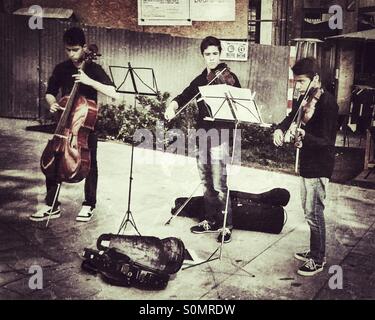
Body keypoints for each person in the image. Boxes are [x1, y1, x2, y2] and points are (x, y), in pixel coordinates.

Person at [30, 27, 119, 223]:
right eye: (68, 50)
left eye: (75, 50)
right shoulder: (62, 68)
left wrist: (89, 81)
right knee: (54, 158)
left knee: (90, 163)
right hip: (64, 126)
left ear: (84, 48)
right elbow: (51, 91)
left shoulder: (93, 69)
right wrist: (52, 103)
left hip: (86, 127)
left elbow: (114, 92)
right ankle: (51, 204)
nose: (71, 54)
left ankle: (89, 204)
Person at [164, 36, 241, 243]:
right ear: (203, 56)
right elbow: (184, 95)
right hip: (203, 135)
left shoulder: (229, 78)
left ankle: (226, 225)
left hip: (221, 136)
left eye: (215, 53)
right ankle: (210, 219)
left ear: (220, 54)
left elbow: (238, 105)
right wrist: (172, 106)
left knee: (220, 184)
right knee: (206, 183)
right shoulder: (200, 80)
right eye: (207, 54)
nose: (212, 58)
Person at [273, 57, 338, 276]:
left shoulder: (328, 103)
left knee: (314, 213)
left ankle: (318, 259)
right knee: (308, 211)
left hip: (320, 166)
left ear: (316, 79)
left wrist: (304, 135)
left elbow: (327, 141)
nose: (298, 86)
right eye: (296, 82)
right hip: (307, 164)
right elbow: (290, 117)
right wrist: (280, 129)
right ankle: (314, 250)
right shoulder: (305, 100)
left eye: (301, 81)